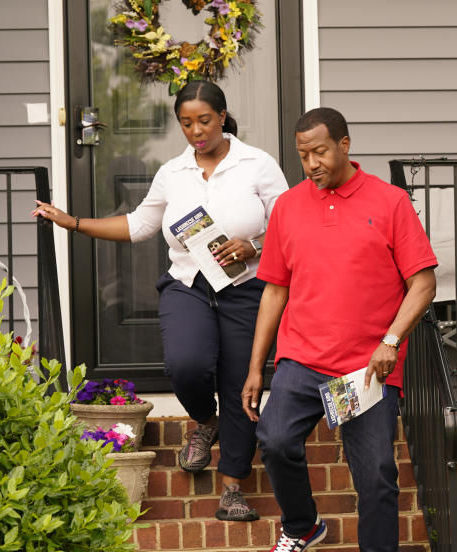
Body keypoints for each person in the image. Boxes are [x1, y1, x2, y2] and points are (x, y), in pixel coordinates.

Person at [33, 80, 289, 521]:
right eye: (186, 123)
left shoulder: (257, 165)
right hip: (188, 284)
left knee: (240, 384)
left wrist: (256, 246)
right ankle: (205, 422)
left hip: (245, 288)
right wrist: (72, 222)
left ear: (222, 117)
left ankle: (232, 488)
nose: (196, 131)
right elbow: (139, 224)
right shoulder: (173, 172)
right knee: (186, 365)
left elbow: (290, 223)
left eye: (204, 120)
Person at [240, 107, 437, 552]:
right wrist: (257, 366)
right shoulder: (287, 207)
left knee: (374, 476)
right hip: (302, 359)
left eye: (320, 152)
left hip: (364, 371)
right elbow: (275, 290)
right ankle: (302, 526)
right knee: (276, 439)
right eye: (303, 154)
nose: (311, 164)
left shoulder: (390, 202)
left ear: (346, 144)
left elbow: (423, 283)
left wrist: (391, 341)